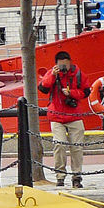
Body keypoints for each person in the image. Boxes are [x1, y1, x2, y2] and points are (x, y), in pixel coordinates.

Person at [38, 49, 87, 188]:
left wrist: (72, 93)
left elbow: (86, 91)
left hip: (74, 114)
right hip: (57, 115)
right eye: (61, 66)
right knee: (59, 144)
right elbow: (43, 88)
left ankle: (76, 176)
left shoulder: (78, 74)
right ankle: (60, 176)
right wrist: (52, 75)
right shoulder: (52, 73)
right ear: (56, 64)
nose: (64, 69)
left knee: (77, 147)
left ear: (70, 62)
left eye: (66, 65)